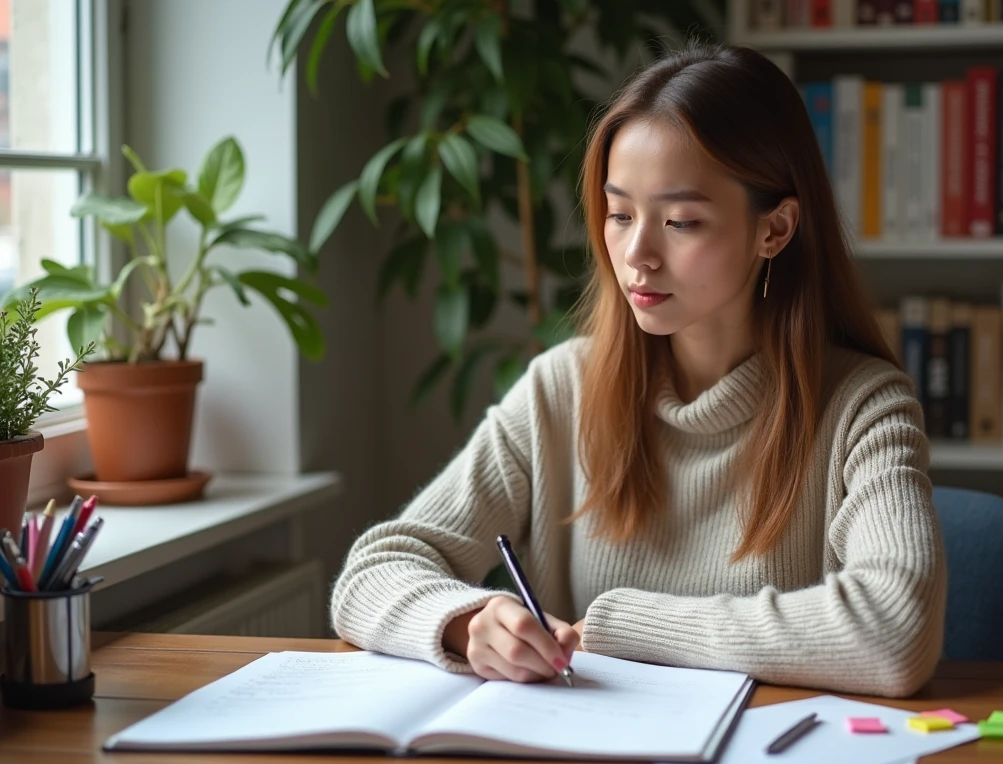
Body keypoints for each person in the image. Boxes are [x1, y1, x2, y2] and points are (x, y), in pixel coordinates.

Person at [331, 41, 946, 698]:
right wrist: (465, 622)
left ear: (775, 229)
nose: (636, 254)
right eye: (620, 214)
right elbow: (370, 573)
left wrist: (623, 627)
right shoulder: (560, 390)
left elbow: (896, 630)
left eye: (680, 221)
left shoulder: (862, 406)